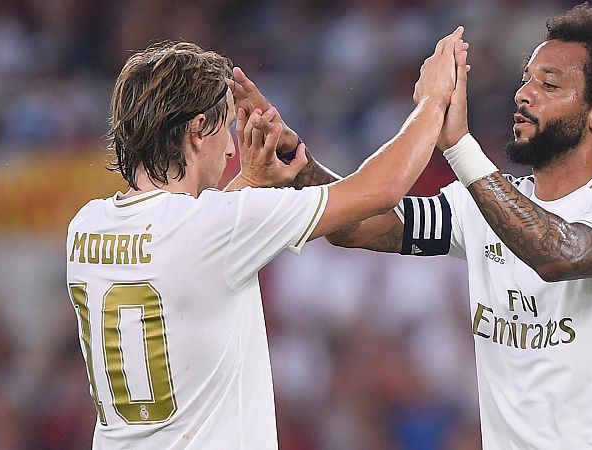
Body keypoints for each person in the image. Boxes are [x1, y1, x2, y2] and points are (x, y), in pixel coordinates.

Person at [236, 4, 592, 448]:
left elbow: (558, 254)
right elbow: (357, 226)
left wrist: (459, 146)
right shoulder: (485, 203)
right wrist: (296, 164)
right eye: (526, 79)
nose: (524, 95)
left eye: (549, 85)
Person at [66, 30, 468, 448]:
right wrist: (432, 101)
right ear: (198, 130)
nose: (230, 150)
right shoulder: (216, 227)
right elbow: (380, 192)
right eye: (227, 128)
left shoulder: (86, 226)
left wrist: (251, 183)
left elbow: (192, 250)